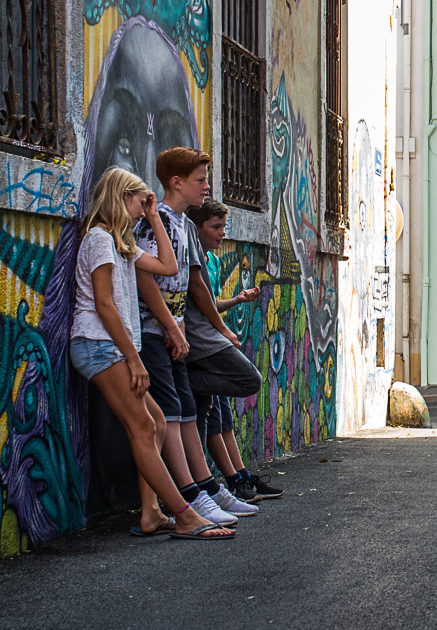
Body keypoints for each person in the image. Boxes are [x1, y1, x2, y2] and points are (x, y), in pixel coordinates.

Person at [68, 166, 232, 540]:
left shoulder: (121, 242)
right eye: (140, 203)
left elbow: (168, 266)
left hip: (114, 347)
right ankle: (186, 515)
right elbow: (104, 305)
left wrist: (156, 216)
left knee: (155, 424)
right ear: (121, 197)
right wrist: (134, 359)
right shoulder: (97, 239)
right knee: (143, 426)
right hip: (99, 345)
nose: (144, 211)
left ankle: (151, 512)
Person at [135, 147, 247, 525]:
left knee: (184, 408)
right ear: (176, 182)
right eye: (199, 180)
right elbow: (146, 277)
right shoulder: (159, 222)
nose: (206, 186)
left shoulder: (181, 223)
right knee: (171, 410)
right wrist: (170, 324)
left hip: (172, 332)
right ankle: (189, 495)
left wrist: (179, 324)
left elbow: (185, 282)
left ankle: (206, 488)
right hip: (154, 333)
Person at [189, 198, 282, 502]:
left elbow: (210, 302)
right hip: (203, 345)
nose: (221, 233)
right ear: (197, 228)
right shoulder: (192, 258)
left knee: (219, 416)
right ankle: (223, 482)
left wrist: (238, 300)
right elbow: (201, 303)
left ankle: (236, 477)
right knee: (248, 381)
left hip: (210, 342)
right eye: (215, 227)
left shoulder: (211, 261)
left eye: (224, 226)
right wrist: (224, 330)